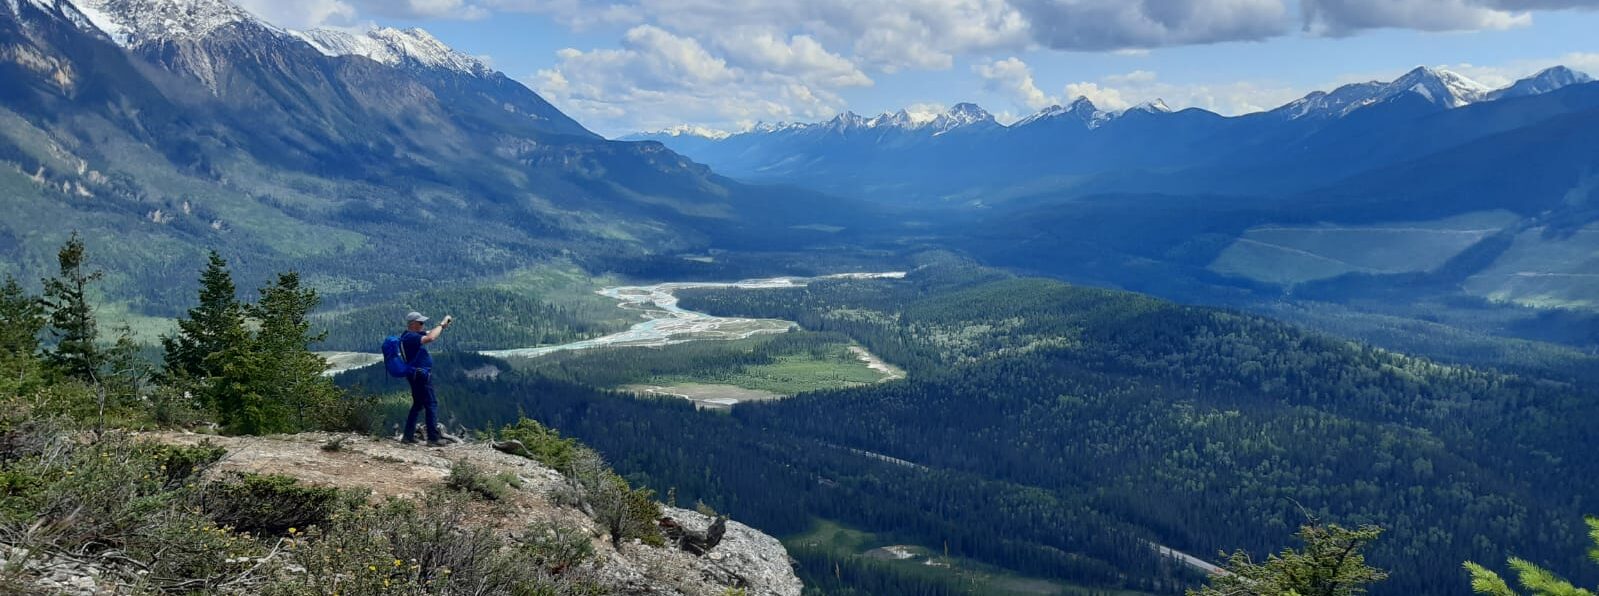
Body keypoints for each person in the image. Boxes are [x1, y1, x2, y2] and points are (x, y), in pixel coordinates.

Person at [400, 311, 453, 446]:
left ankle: (408, 436)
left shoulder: (410, 335)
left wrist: (442, 326)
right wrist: (441, 324)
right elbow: (430, 338)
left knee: (418, 404)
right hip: (421, 376)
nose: (423, 325)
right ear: (413, 324)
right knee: (431, 404)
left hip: (415, 375)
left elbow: (430, 332)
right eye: (421, 323)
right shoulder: (410, 337)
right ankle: (433, 438)